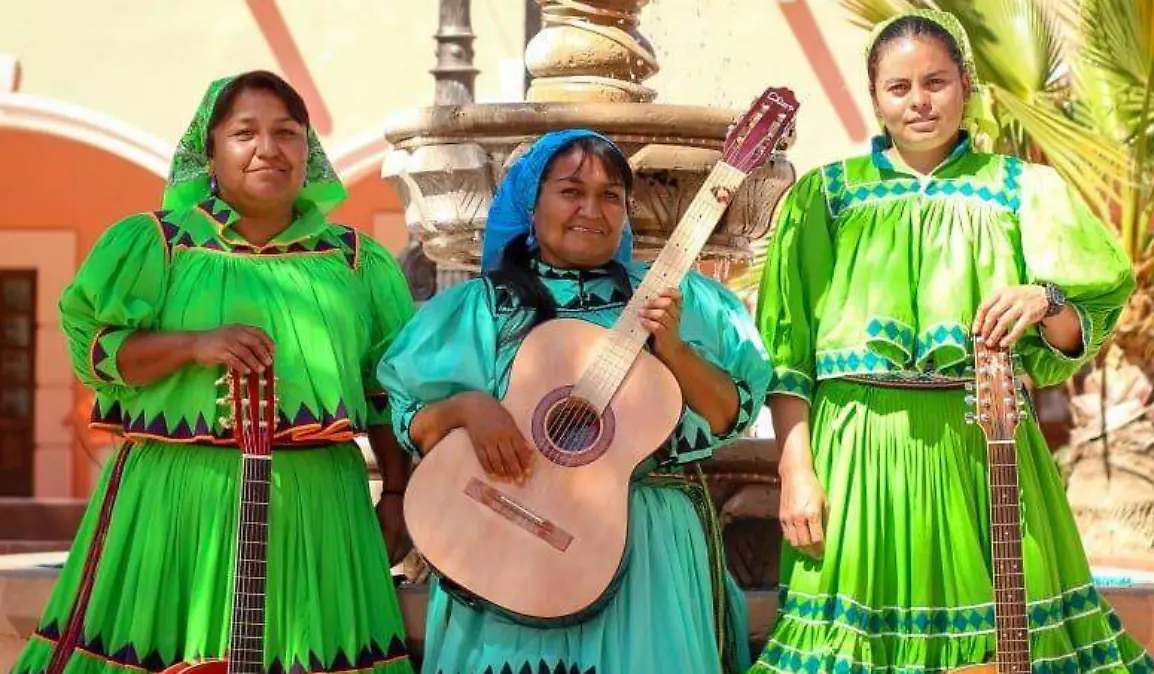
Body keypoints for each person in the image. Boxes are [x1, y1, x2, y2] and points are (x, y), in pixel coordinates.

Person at [750, 10, 1154, 673]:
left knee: (1010, 643)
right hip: (857, 453)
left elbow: (1078, 329)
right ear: (875, 97)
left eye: (935, 82)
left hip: (989, 448)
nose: (919, 101)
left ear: (965, 85)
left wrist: (1047, 298)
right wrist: (795, 470)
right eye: (899, 87)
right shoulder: (823, 199)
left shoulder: (1023, 191)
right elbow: (787, 355)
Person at [14, 71, 416, 674]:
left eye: (287, 132)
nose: (268, 149)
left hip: (320, 506)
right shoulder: (156, 247)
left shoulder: (357, 263)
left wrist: (398, 493)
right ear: (211, 151)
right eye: (244, 133)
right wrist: (194, 345)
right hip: (176, 502)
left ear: (308, 149)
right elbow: (97, 352)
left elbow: (386, 388)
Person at [377, 128, 772, 674]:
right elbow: (411, 421)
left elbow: (730, 415)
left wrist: (675, 351)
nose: (592, 209)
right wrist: (470, 409)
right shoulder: (483, 309)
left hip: (648, 547)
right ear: (531, 204)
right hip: (505, 545)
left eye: (610, 195)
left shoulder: (681, 301)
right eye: (570, 191)